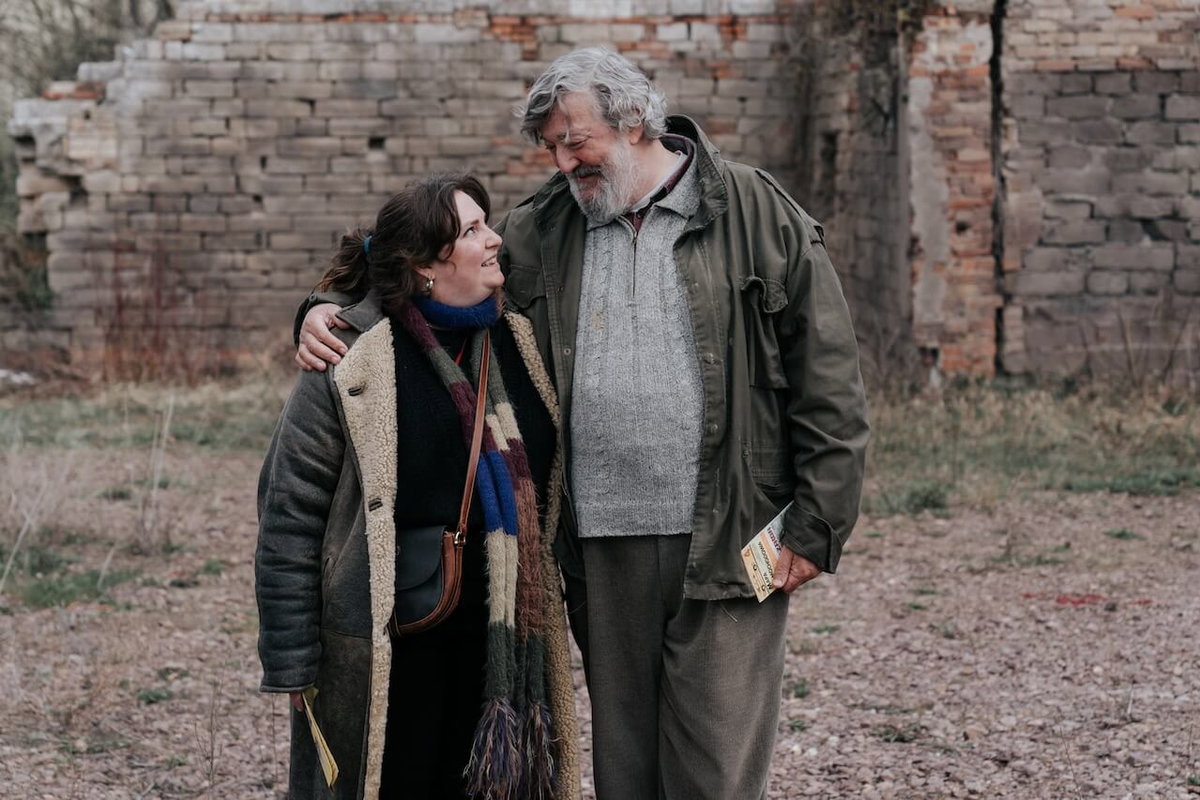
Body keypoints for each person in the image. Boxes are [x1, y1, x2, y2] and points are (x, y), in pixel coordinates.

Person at [296, 49, 869, 800]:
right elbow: (425, 264)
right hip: (595, 543)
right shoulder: (542, 227)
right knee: (624, 769)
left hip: (730, 534)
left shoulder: (757, 211)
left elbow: (829, 379)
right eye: (552, 148)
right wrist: (322, 309)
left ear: (633, 121)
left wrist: (818, 525)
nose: (564, 163)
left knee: (717, 772)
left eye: (575, 141)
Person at [256, 173, 579, 800]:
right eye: (473, 230)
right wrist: (291, 658)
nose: (495, 238)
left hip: (503, 639)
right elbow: (290, 512)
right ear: (426, 266)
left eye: (486, 222)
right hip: (391, 641)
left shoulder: (519, 337)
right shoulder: (352, 356)